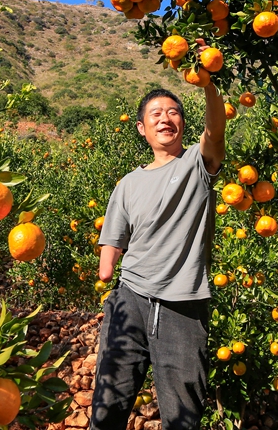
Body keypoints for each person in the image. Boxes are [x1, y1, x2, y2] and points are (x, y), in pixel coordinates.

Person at [91, 79, 226, 430]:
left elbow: (215, 131)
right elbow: (113, 239)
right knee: (107, 409)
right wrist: (108, 276)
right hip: (130, 299)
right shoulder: (127, 184)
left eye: (173, 112)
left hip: (183, 306)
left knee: (183, 416)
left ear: (183, 123)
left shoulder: (198, 164)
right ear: (142, 128)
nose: (166, 118)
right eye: (156, 113)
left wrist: (209, 83)